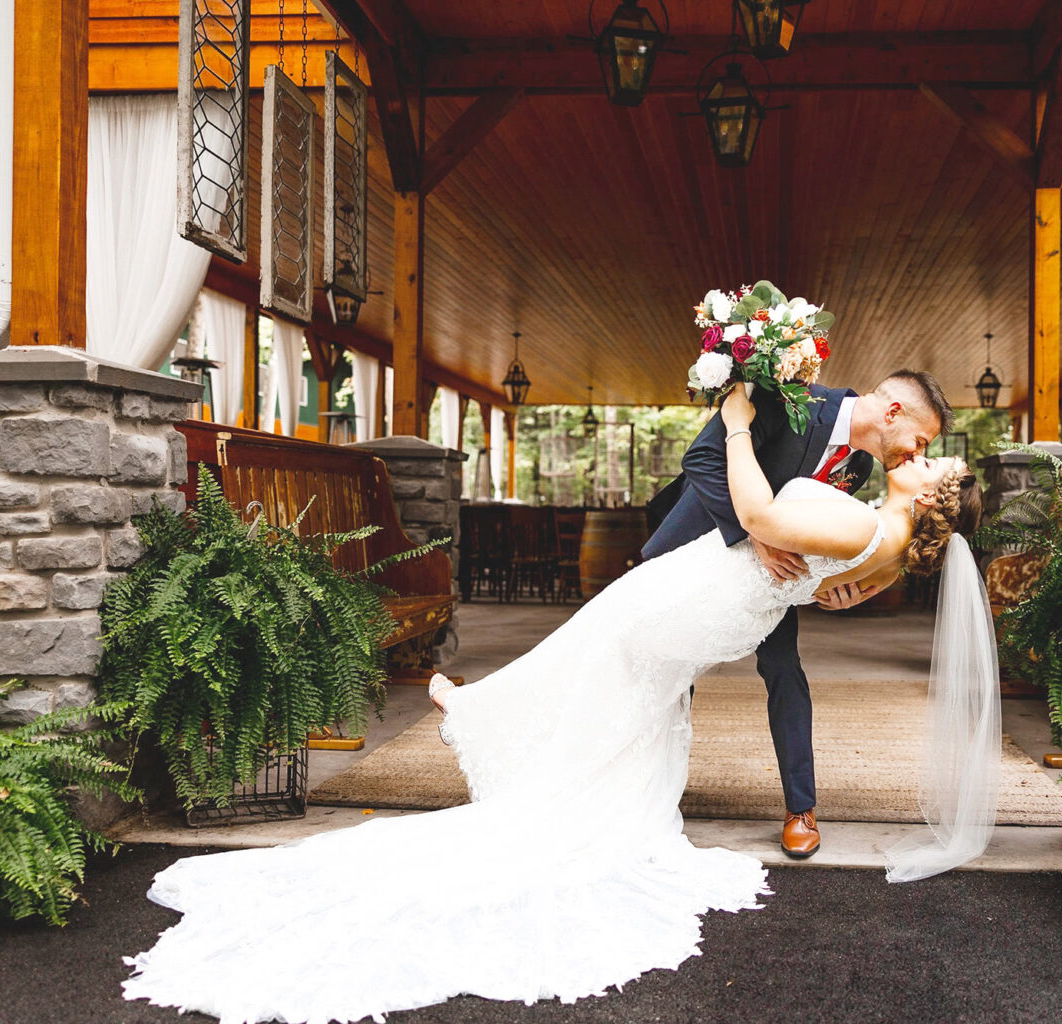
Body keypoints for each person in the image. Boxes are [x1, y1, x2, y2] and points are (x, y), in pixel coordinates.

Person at [122, 385, 990, 1024]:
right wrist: (811, 563)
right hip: (721, 592)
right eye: (927, 443)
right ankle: (557, 769)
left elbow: (766, 515)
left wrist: (733, 425)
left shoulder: (868, 521)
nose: (920, 456)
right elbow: (835, 582)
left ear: (931, 499)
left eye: (933, 463)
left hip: (710, 591)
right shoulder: (885, 534)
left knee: (599, 654)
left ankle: (491, 724)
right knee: (626, 683)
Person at [643, 370, 952, 857]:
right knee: (669, 670)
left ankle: (800, 809)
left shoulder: (859, 467)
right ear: (893, 413)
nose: (917, 454)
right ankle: (651, 791)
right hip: (698, 550)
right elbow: (701, 459)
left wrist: (843, 591)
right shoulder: (790, 399)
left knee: (785, 671)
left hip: (766, 583)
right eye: (920, 440)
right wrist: (755, 535)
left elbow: (821, 536)